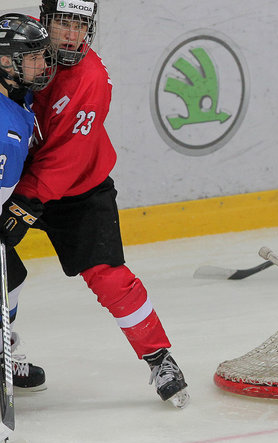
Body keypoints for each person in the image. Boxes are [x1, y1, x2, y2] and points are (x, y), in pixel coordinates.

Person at [0, 0, 189, 408]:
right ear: (44, 20)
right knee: (4, 271)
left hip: (76, 190)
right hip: (17, 181)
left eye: (81, 25)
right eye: (63, 23)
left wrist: (26, 203)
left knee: (108, 276)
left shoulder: (90, 79)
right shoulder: (22, 48)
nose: (72, 34)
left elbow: (65, 159)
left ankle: (160, 359)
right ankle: (5, 354)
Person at [0, 13, 56, 394]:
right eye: (32, 57)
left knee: (13, 275)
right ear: (5, 62)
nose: (43, 65)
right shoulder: (8, 134)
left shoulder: (16, 99)